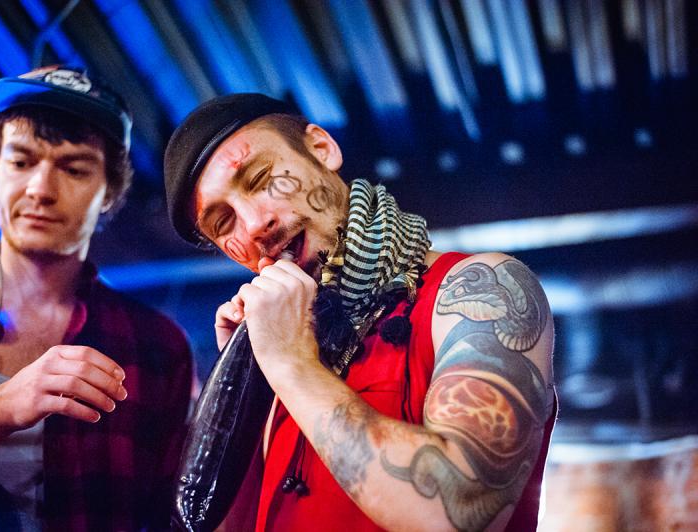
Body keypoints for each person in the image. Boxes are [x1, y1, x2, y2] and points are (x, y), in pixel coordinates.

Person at [164, 93, 557, 531]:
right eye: (224, 223)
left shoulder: (481, 288)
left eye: (260, 179)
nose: (254, 225)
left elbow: (461, 511)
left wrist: (291, 365)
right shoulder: (281, 359)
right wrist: (240, 385)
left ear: (321, 148)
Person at [0, 66, 193, 530]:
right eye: (21, 162)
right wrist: (0, 407)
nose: (41, 189)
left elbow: (171, 519)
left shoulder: (158, 348)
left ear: (109, 192)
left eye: (74, 169)